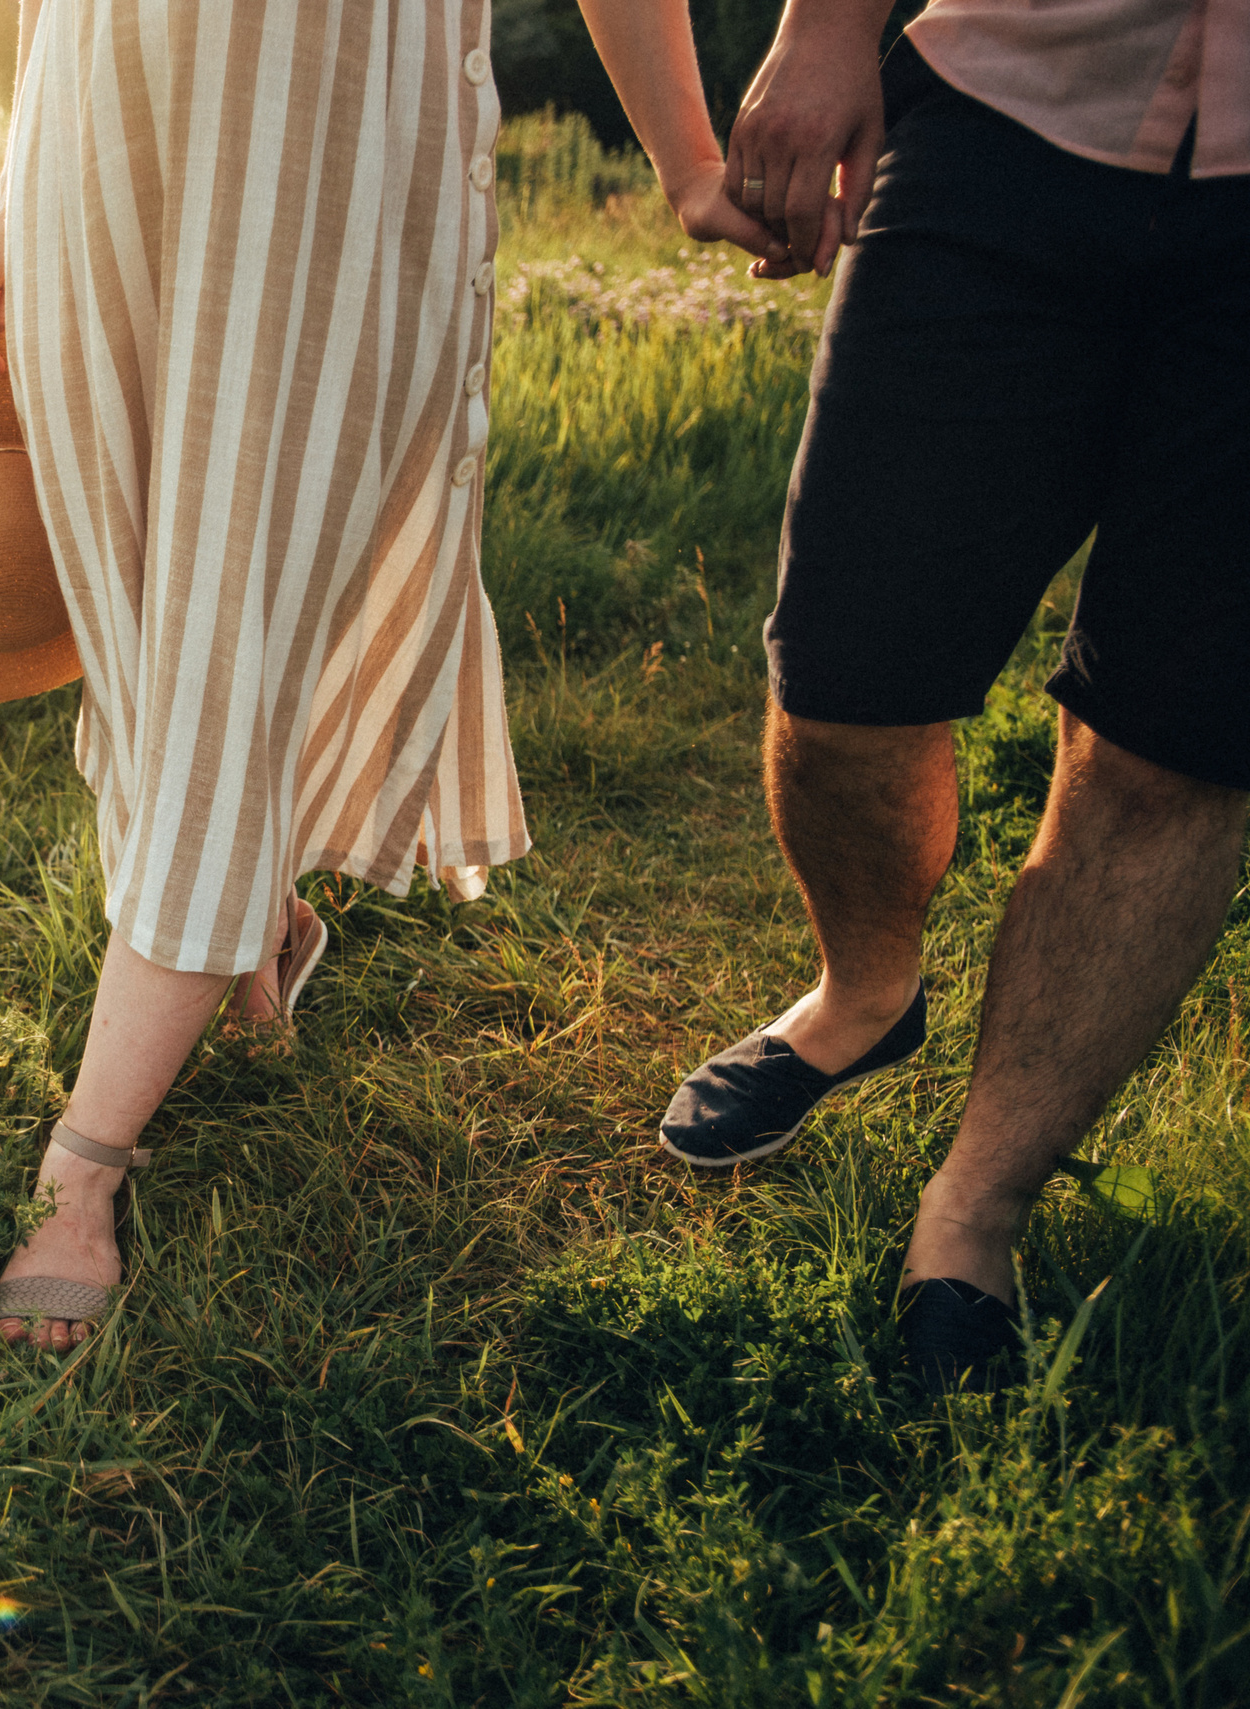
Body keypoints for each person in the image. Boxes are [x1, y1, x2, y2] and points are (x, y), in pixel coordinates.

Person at [0, 0, 787, 1352]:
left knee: (230, 624)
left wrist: (686, 161)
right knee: (140, 601)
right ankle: (252, 915)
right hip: (103, 126)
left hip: (316, 154)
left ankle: (85, 1164)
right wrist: (10, 194)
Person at [656, 0, 1249, 1391]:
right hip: (1013, 101)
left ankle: (974, 1211)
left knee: (1177, 743)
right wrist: (825, 29)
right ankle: (867, 989)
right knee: (848, 674)